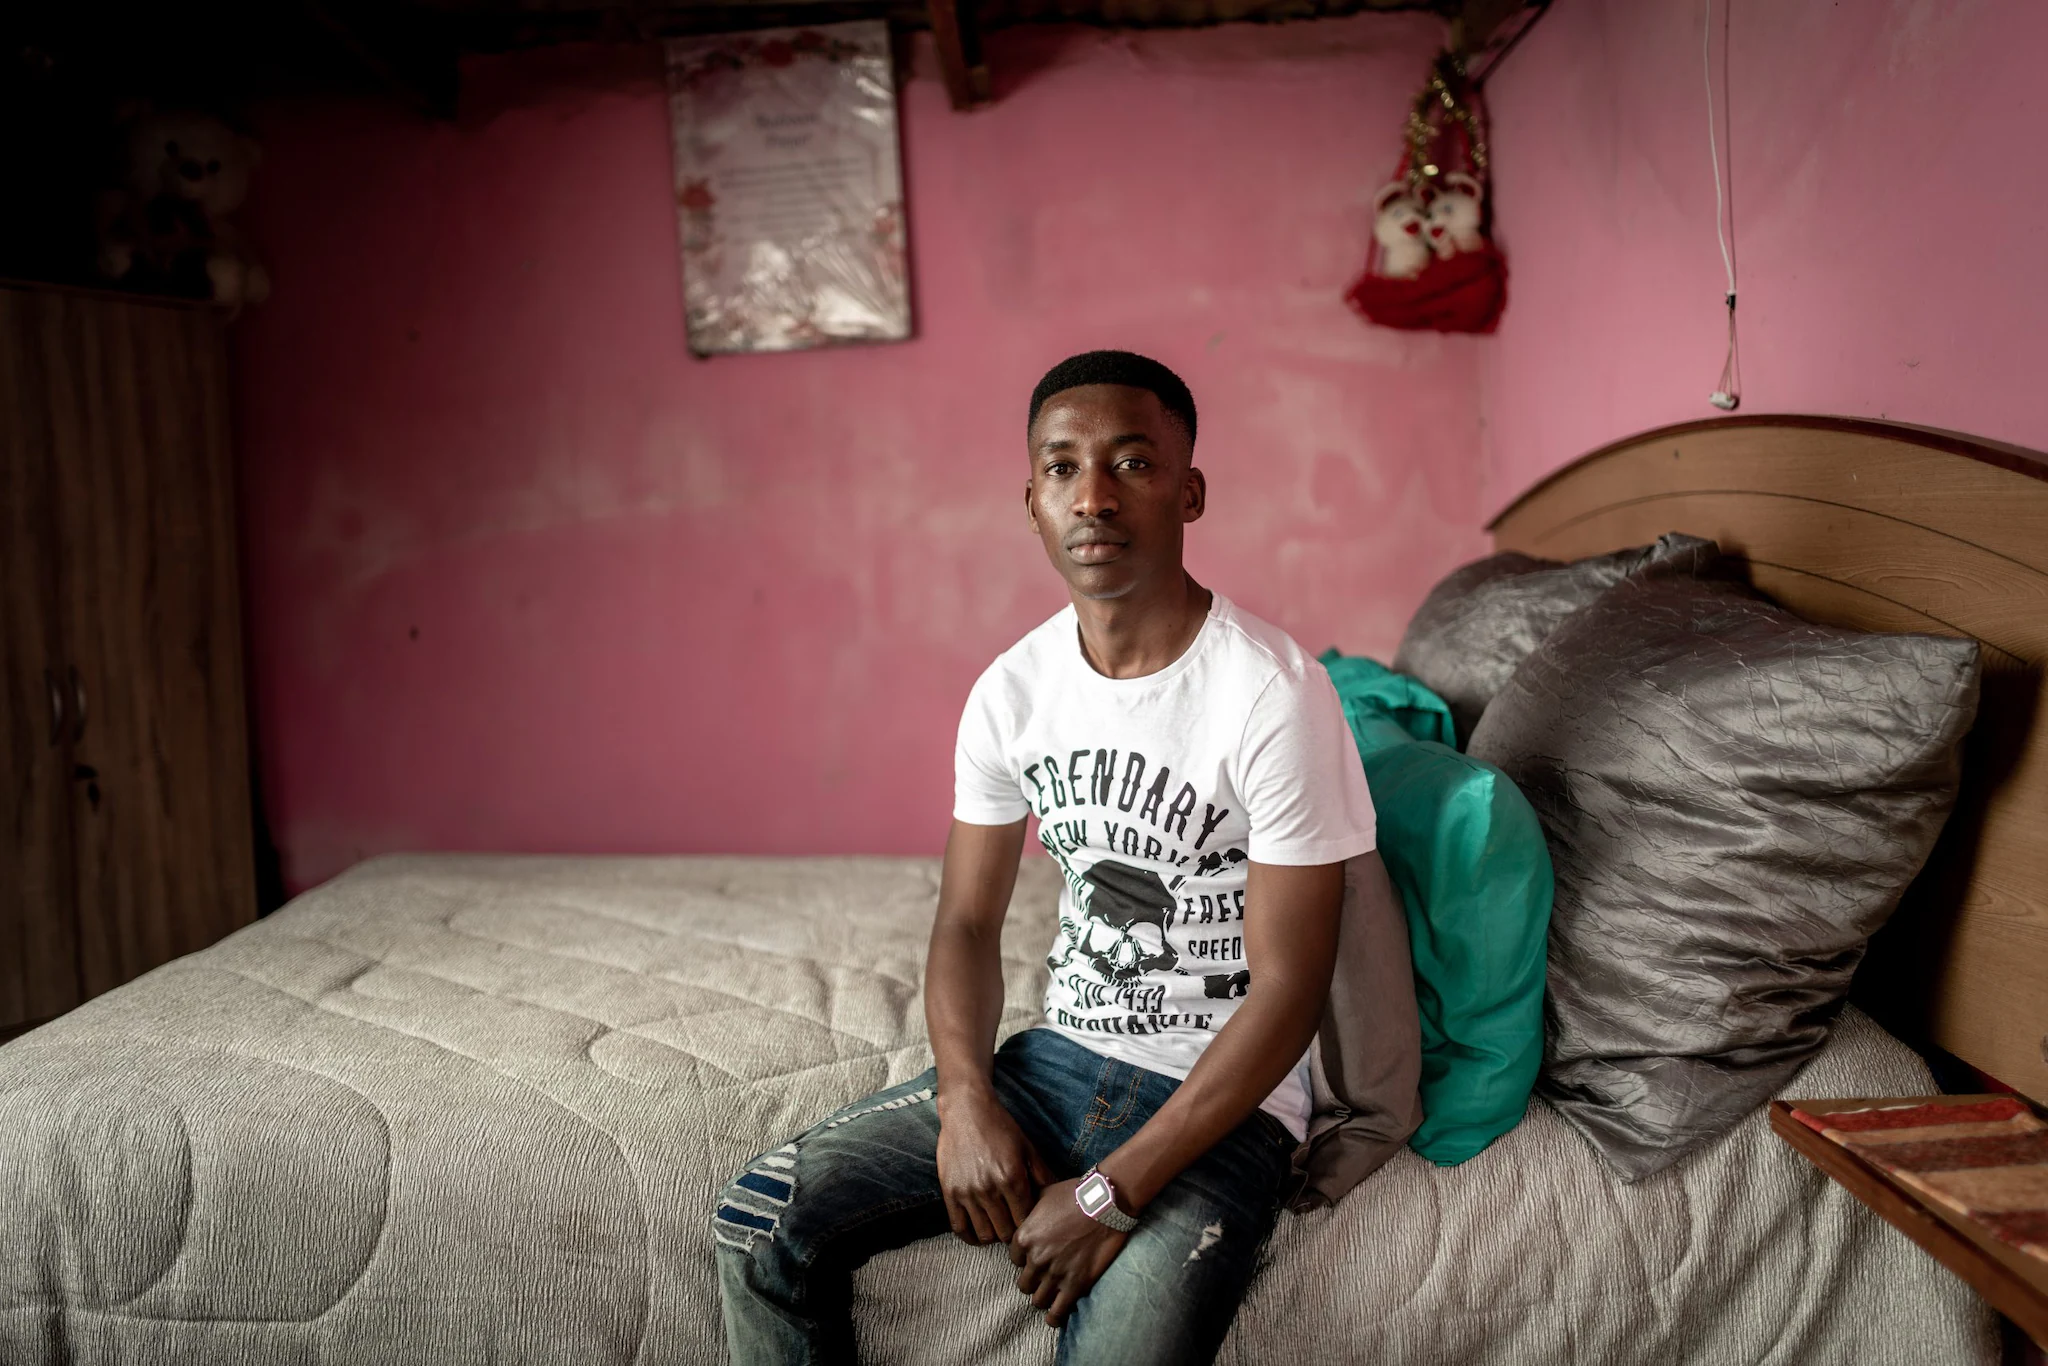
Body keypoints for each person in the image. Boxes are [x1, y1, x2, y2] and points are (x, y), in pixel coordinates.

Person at [714, 350, 1379, 1365]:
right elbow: (968, 923)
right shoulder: (1011, 692)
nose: (1093, 497)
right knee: (757, 1217)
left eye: (1132, 464)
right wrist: (964, 1100)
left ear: (1189, 491)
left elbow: (1288, 990)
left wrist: (1114, 1190)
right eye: (1061, 469)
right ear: (1029, 500)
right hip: (1054, 1064)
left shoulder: (1270, 693)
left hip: (1220, 1111)